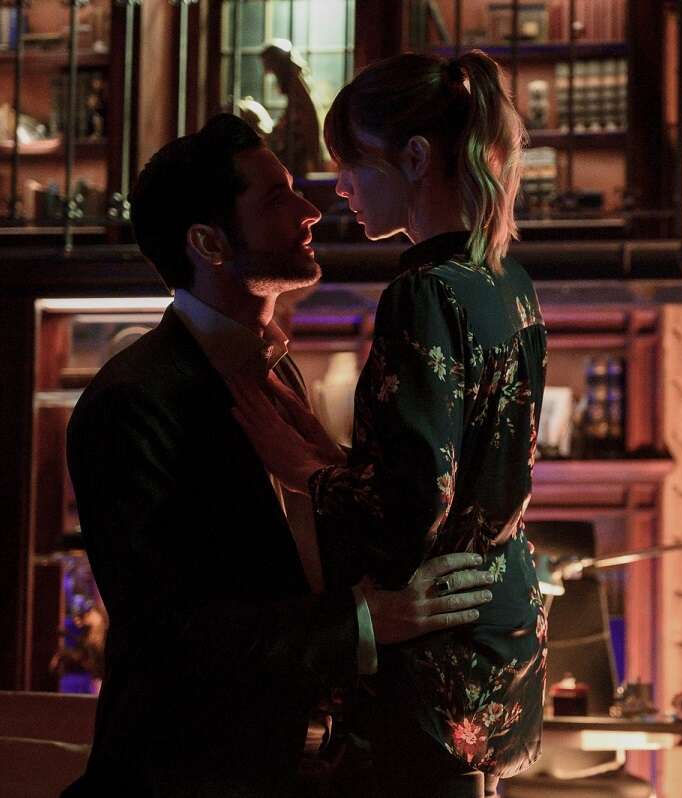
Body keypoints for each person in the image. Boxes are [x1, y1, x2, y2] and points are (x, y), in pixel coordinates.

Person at [62, 113, 494, 798]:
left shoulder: (274, 369)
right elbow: (168, 632)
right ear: (208, 243)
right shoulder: (131, 400)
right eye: (276, 199)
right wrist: (366, 620)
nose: (310, 211)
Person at [228, 51, 547, 798]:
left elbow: (410, 507)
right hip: (502, 650)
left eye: (352, 162)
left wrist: (300, 471)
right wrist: (322, 446)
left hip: (432, 669)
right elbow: (457, 476)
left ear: (415, 158)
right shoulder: (507, 281)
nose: (338, 186)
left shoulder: (424, 291)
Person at [261, 39, 325, 178]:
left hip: (298, 163)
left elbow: (309, 123)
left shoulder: (297, 91)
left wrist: (314, 159)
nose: (270, 75)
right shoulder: (294, 93)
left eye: (271, 69)